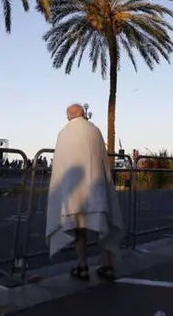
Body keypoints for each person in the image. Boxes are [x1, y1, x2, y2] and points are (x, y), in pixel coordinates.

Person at [45, 103, 125, 281]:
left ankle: (82, 266)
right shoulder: (94, 131)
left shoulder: (63, 134)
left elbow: (59, 167)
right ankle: (107, 265)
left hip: (72, 194)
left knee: (78, 229)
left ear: (68, 116)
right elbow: (102, 160)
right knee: (103, 224)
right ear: (84, 114)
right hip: (96, 190)